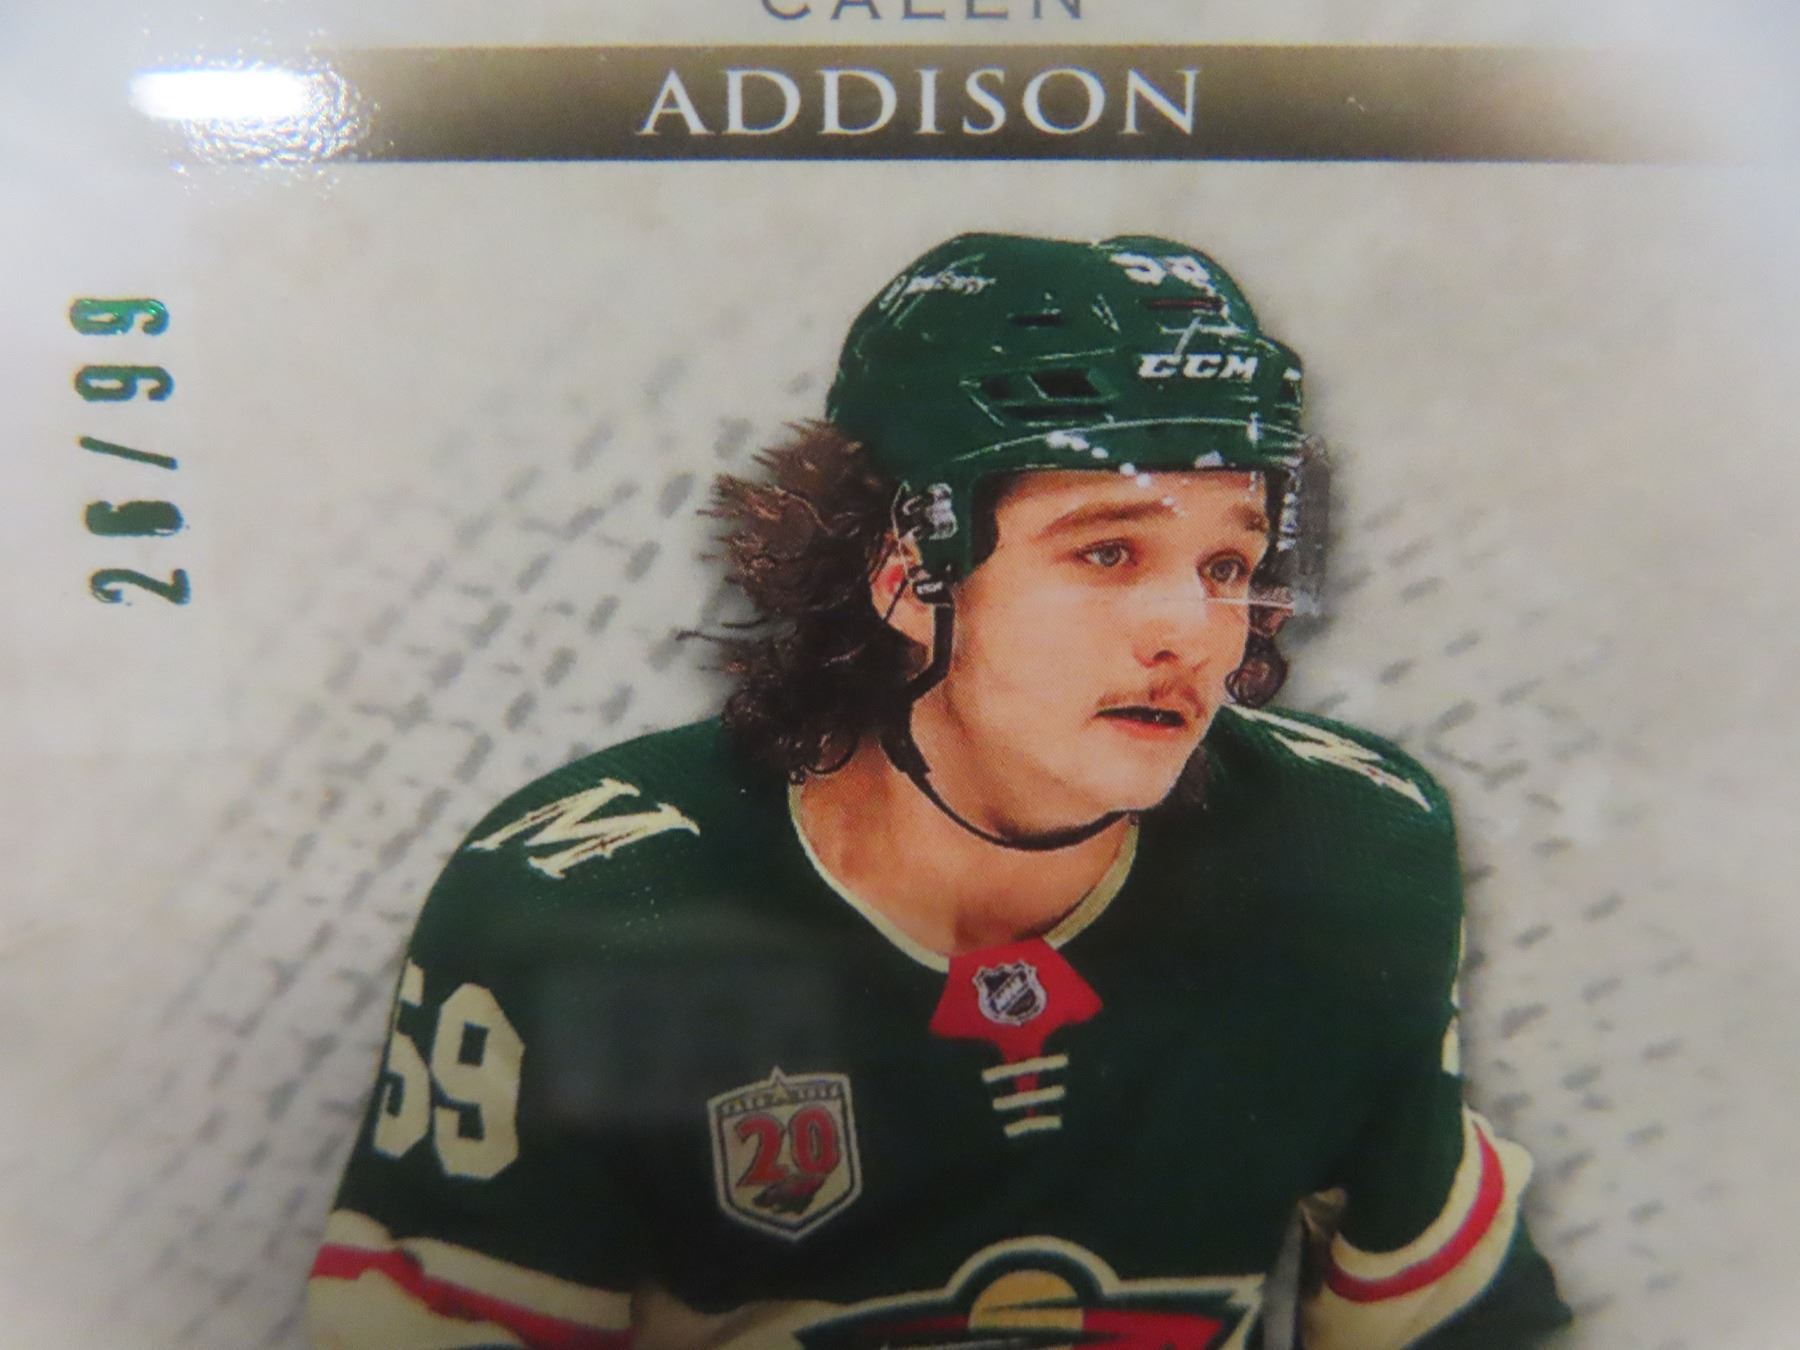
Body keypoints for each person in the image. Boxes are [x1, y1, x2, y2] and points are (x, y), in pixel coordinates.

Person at [307, 232, 1572, 1349]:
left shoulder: (1348, 855)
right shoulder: (593, 910)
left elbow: (1450, 1325)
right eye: (1109, 551)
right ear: (906, 572)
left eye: (1227, 563)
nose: (1193, 632)